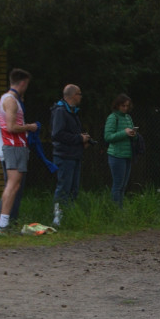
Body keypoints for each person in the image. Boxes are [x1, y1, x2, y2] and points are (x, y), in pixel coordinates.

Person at [0, 69, 38, 235]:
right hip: (13, 146)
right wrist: (30, 127)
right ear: (23, 83)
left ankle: (5, 222)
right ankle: (3, 223)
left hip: (16, 146)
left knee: (14, 185)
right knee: (13, 185)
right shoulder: (11, 100)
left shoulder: (10, 99)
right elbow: (11, 127)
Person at [50, 84, 91, 226]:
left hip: (74, 155)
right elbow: (58, 134)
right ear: (73, 95)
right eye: (79, 94)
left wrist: (82, 140)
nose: (81, 97)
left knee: (73, 189)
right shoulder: (61, 111)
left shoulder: (72, 112)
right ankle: (58, 218)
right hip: (64, 156)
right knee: (64, 188)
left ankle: (69, 217)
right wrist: (79, 139)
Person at [104, 94, 136, 207]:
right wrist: (124, 133)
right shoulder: (113, 117)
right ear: (117, 105)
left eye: (127, 106)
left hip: (128, 154)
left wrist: (133, 134)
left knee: (123, 186)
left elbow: (130, 135)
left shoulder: (128, 118)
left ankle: (120, 209)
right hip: (116, 155)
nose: (125, 108)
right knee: (118, 185)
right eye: (123, 106)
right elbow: (108, 137)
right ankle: (116, 210)